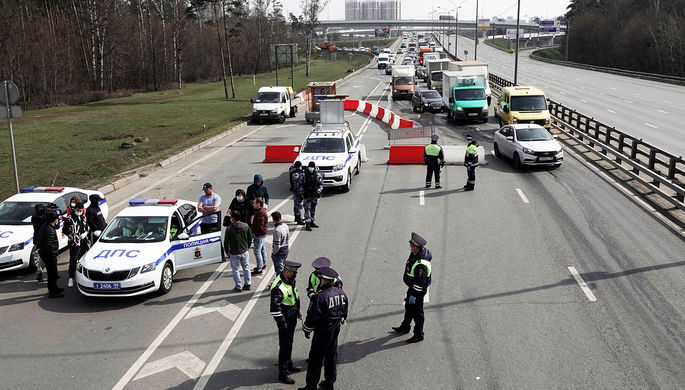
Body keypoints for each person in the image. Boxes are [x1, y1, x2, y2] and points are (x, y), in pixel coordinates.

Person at [300, 267, 348, 390]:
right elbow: (344, 311)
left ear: (323, 281)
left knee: (315, 358)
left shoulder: (320, 296)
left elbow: (313, 316)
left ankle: (311, 386)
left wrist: (307, 329)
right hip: (335, 328)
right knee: (331, 355)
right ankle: (329, 382)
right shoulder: (341, 293)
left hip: (322, 331)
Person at [392, 232, 432, 343]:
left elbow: (420, 283)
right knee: (409, 308)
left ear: (417, 247)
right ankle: (405, 327)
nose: (410, 246)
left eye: (412, 245)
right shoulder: (415, 253)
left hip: (417, 291)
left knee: (417, 313)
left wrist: (414, 295)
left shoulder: (421, 265)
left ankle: (419, 334)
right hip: (412, 288)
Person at [270, 260, 302, 385]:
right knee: (284, 346)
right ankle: (283, 373)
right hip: (285, 320)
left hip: (292, 316)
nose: (295, 275)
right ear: (287, 271)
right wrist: (283, 324)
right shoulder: (277, 287)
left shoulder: (290, 280)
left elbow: (294, 296)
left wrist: (297, 311)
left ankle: (288, 363)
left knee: (289, 342)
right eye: (293, 273)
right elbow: (274, 310)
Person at [35, 212, 63, 298]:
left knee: (53, 273)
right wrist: (54, 253)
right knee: (52, 274)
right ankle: (52, 292)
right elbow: (49, 244)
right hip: (50, 255)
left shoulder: (45, 227)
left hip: (47, 254)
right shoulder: (49, 230)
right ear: (55, 220)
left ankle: (55, 288)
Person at [62, 202, 89, 288]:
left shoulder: (83, 217)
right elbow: (64, 230)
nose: (79, 211)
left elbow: (87, 227)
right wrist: (70, 235)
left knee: (84, 258)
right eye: (78, 210)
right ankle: (71, 277)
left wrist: (85, 233)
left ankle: (82, 275)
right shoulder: (70, 219)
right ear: (75, 209)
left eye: (81, 210)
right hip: (74, 243)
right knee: (73, 260)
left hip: (83, 241)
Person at [224, 211, 252, 292]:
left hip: (234, 253)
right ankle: (247, 284)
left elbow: (226, 242)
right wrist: (247, 247)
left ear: (233, 218)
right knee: (246, 268)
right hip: (244, 251)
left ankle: (238, 286)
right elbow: (250, 238)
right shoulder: (246, 226)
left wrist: (227, 251)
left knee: (235, 270)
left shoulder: (229, 229)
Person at [303, 161, 324, 231]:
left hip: (314, 195)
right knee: (307, 210)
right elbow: (300, 185)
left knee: (313, 209)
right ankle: (307, 224)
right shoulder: (304, 175)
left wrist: (317, 192)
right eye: (310, 167)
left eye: (312, 167)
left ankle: (312, 221)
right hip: (307, 195)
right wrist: (302, 193)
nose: (311, 168)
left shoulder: (318, 175)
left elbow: (321, 185)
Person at [251, 197, 268, 275]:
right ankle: (263, 264)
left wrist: (257, 233)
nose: (253, 204)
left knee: (257, 251)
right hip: (260, 234)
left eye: (254, 203)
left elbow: (260, 226)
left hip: (259, 235)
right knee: (262, 249)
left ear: (258, 204)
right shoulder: (261, 211)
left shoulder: (260, 213)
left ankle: (259, 268)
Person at [31, 204, 47, 282]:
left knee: (42, 256)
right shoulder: (41, 217)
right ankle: (41, 272)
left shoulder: (34, 216)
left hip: (37, 239)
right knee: (46, 256)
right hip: (43, 239)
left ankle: (39, 272)